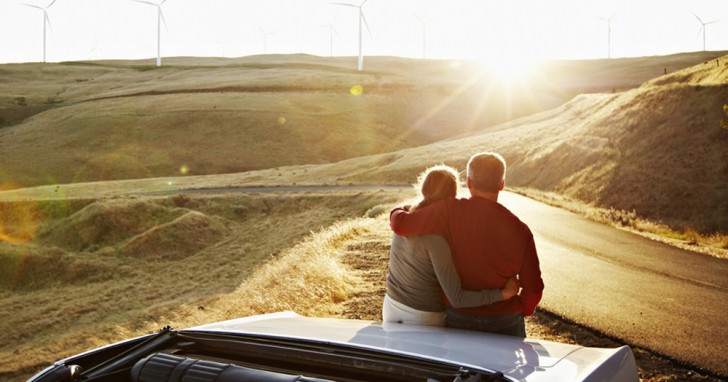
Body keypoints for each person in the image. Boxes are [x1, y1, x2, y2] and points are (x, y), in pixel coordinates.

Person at [390, 152, 544, 337]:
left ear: (469, 183)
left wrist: (399, 208)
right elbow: (534, 289)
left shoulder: (449, 210)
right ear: (501, 185)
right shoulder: (521, 230)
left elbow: (400, 224)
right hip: (505, 319)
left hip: (459, 318)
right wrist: (520, 309)